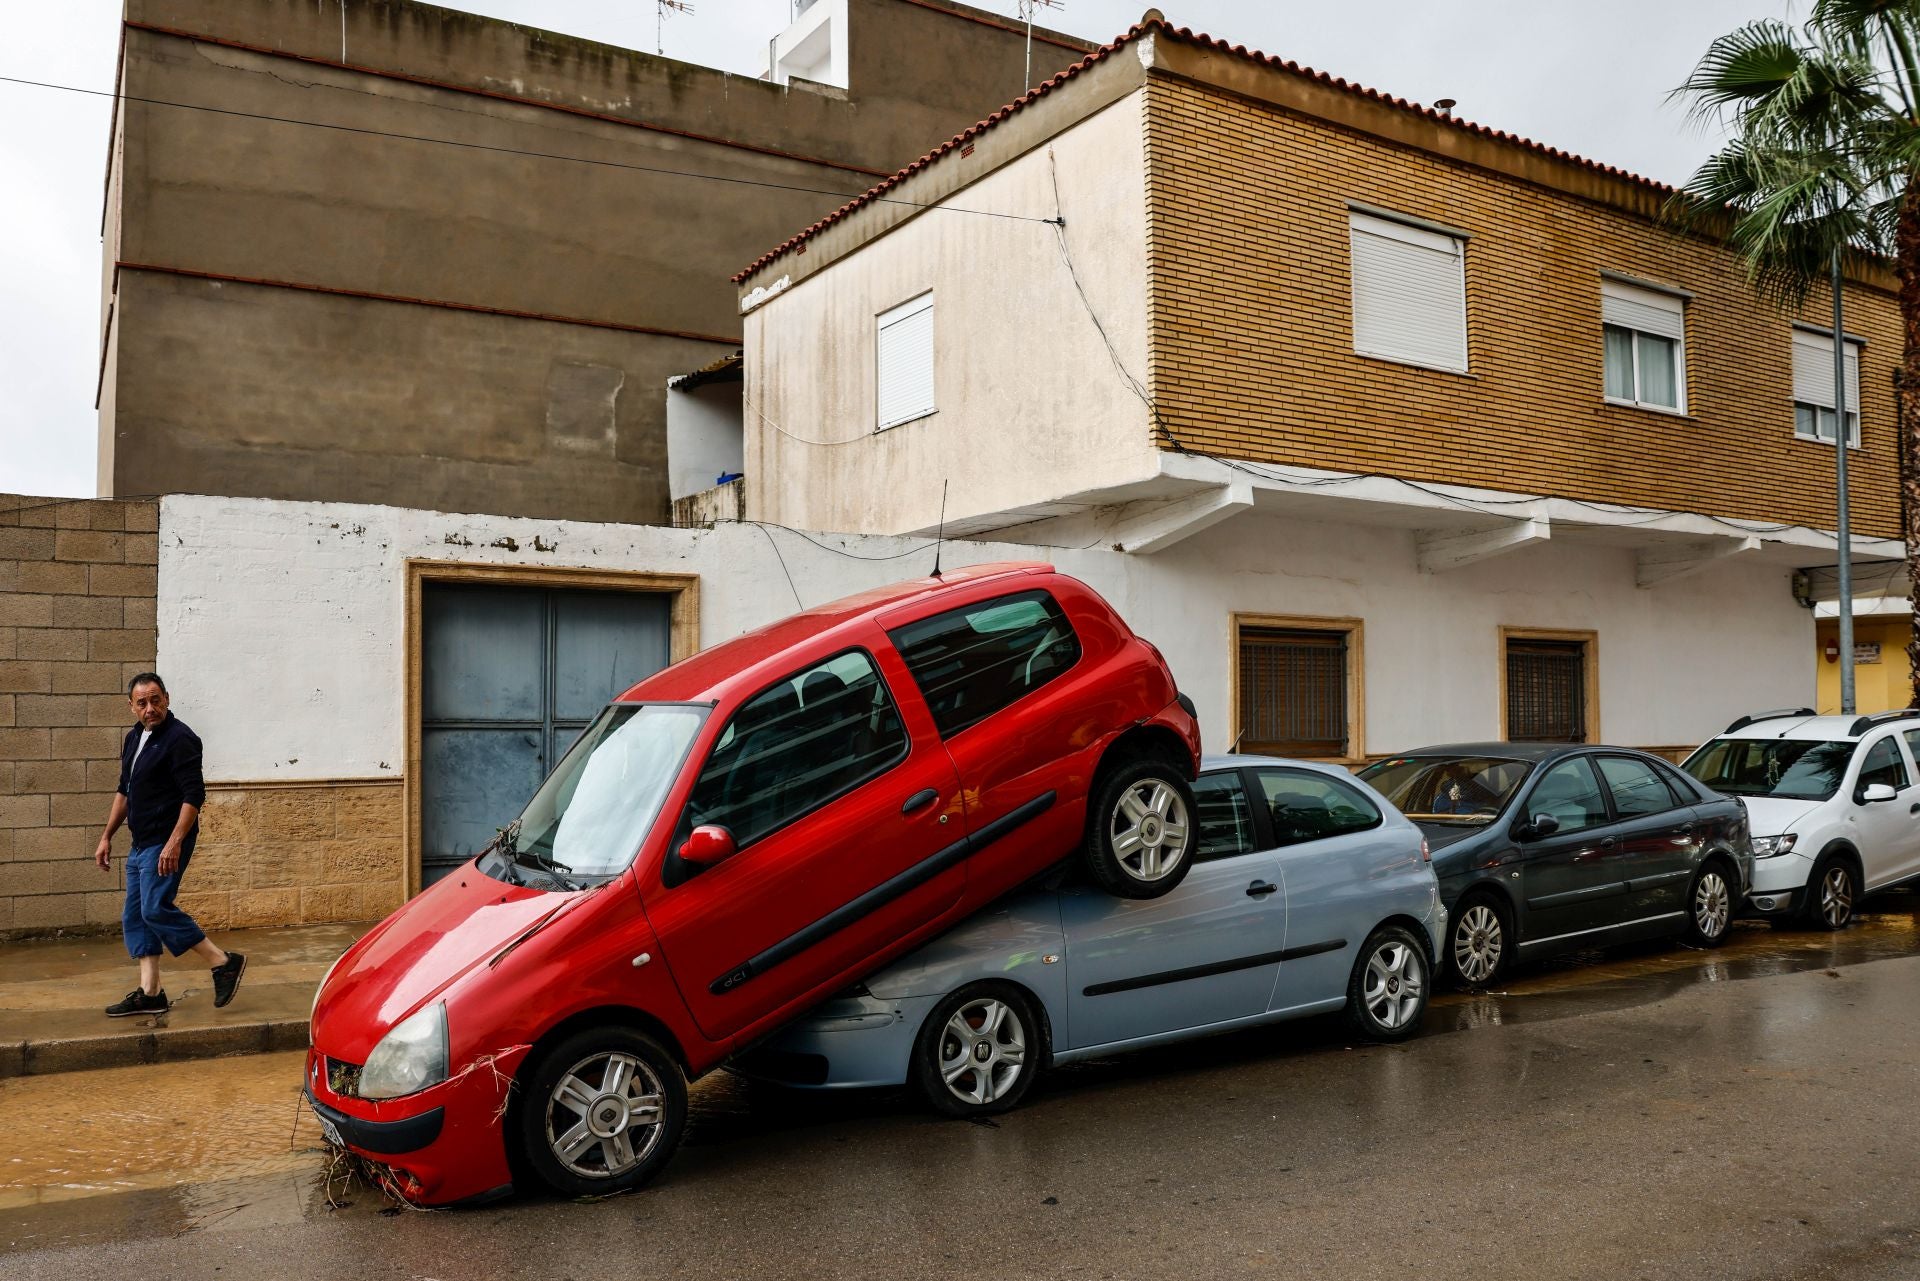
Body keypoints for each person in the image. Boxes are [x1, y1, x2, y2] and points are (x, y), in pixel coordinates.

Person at [92, 672, 245, 1016]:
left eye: (156, 700)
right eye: (142, 702)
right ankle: (150, 992)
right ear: (131, 707)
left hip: (166, 840)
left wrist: (175, 842)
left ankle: (223, 962)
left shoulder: (180, 739)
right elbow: (124, 791)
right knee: (135, 914)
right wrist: (106, 836)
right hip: (141, 841)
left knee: (155, 908)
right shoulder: (134, 738)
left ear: (167, 699)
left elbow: (194, 795)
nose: (150, 708)